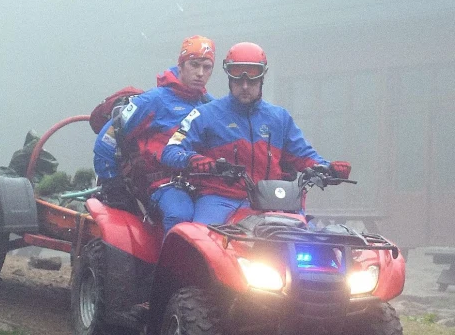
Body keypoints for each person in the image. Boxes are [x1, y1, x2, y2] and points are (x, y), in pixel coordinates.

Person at [160, 42, 352, 226]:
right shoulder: (204, 114)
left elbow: (304, 155)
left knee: (306, 247)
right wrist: (193, 160)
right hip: (220, 199)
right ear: (229, 77)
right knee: (200, 241)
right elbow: (171, 151)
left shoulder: (280, 118)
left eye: (251, 79)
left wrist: (328, 169)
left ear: (262, 77)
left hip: (274, 202)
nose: (245, 86)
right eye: (238, 79)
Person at [93, 35, 216, 233]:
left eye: (207, 67)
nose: (200, 73)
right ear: (182, 64)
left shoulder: (210, 106)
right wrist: (112, 183)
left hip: (201, 182)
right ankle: (173, 264)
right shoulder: (153, 101)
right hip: (160, 183)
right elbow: (106, 140)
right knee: (180, 217)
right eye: (194, 65)